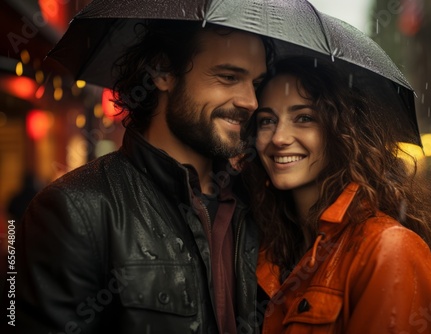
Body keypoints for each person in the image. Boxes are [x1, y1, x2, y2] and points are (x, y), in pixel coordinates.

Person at [15, 20, 271, 334]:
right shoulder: (76, 209)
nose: (251, 101)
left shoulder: (260, 205)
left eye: (256, 83)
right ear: (163, 71)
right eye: (229, 77)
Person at [240, 56, 431, 333]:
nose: (279, 138)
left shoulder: (388, 249)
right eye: (267, 120)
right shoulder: (264, 240)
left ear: (341, 131)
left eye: (303, 118)